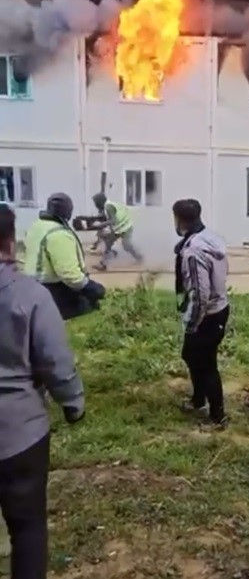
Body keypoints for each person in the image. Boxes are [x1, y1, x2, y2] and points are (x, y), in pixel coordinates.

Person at [0, 204, 85, 579]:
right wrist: (73, 403)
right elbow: (55, 361)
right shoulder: (29, 295)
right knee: (28, 527)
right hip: (19, 433)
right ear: (9, 240)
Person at [173, 199, 230, 428]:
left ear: (177, 219)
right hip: (218, 309)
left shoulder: (194, 252)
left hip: (206, 315)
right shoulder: (210, 237)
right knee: (191, 355)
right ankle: (198, 400)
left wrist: (192, 322)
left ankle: (218, 416)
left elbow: (200, 293)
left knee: (206, 364)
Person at [24, 192, 105, 320]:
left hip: (32, 287)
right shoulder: (59, 234)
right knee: (89, 308)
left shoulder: (37, 226)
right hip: (52, 290)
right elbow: (69, 275)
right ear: (68, 212)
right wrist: (89, 287)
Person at [91, 193, 143, 270]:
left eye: (96, 202)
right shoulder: (108, 205)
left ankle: (139, 257)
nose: (95, 204)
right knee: (108, 244)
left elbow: (113, 220)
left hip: (125, 227)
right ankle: (104, 264)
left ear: (100, 202)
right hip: (119, 228)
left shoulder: (108, 207)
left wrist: (99, 225)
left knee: (126, 245)